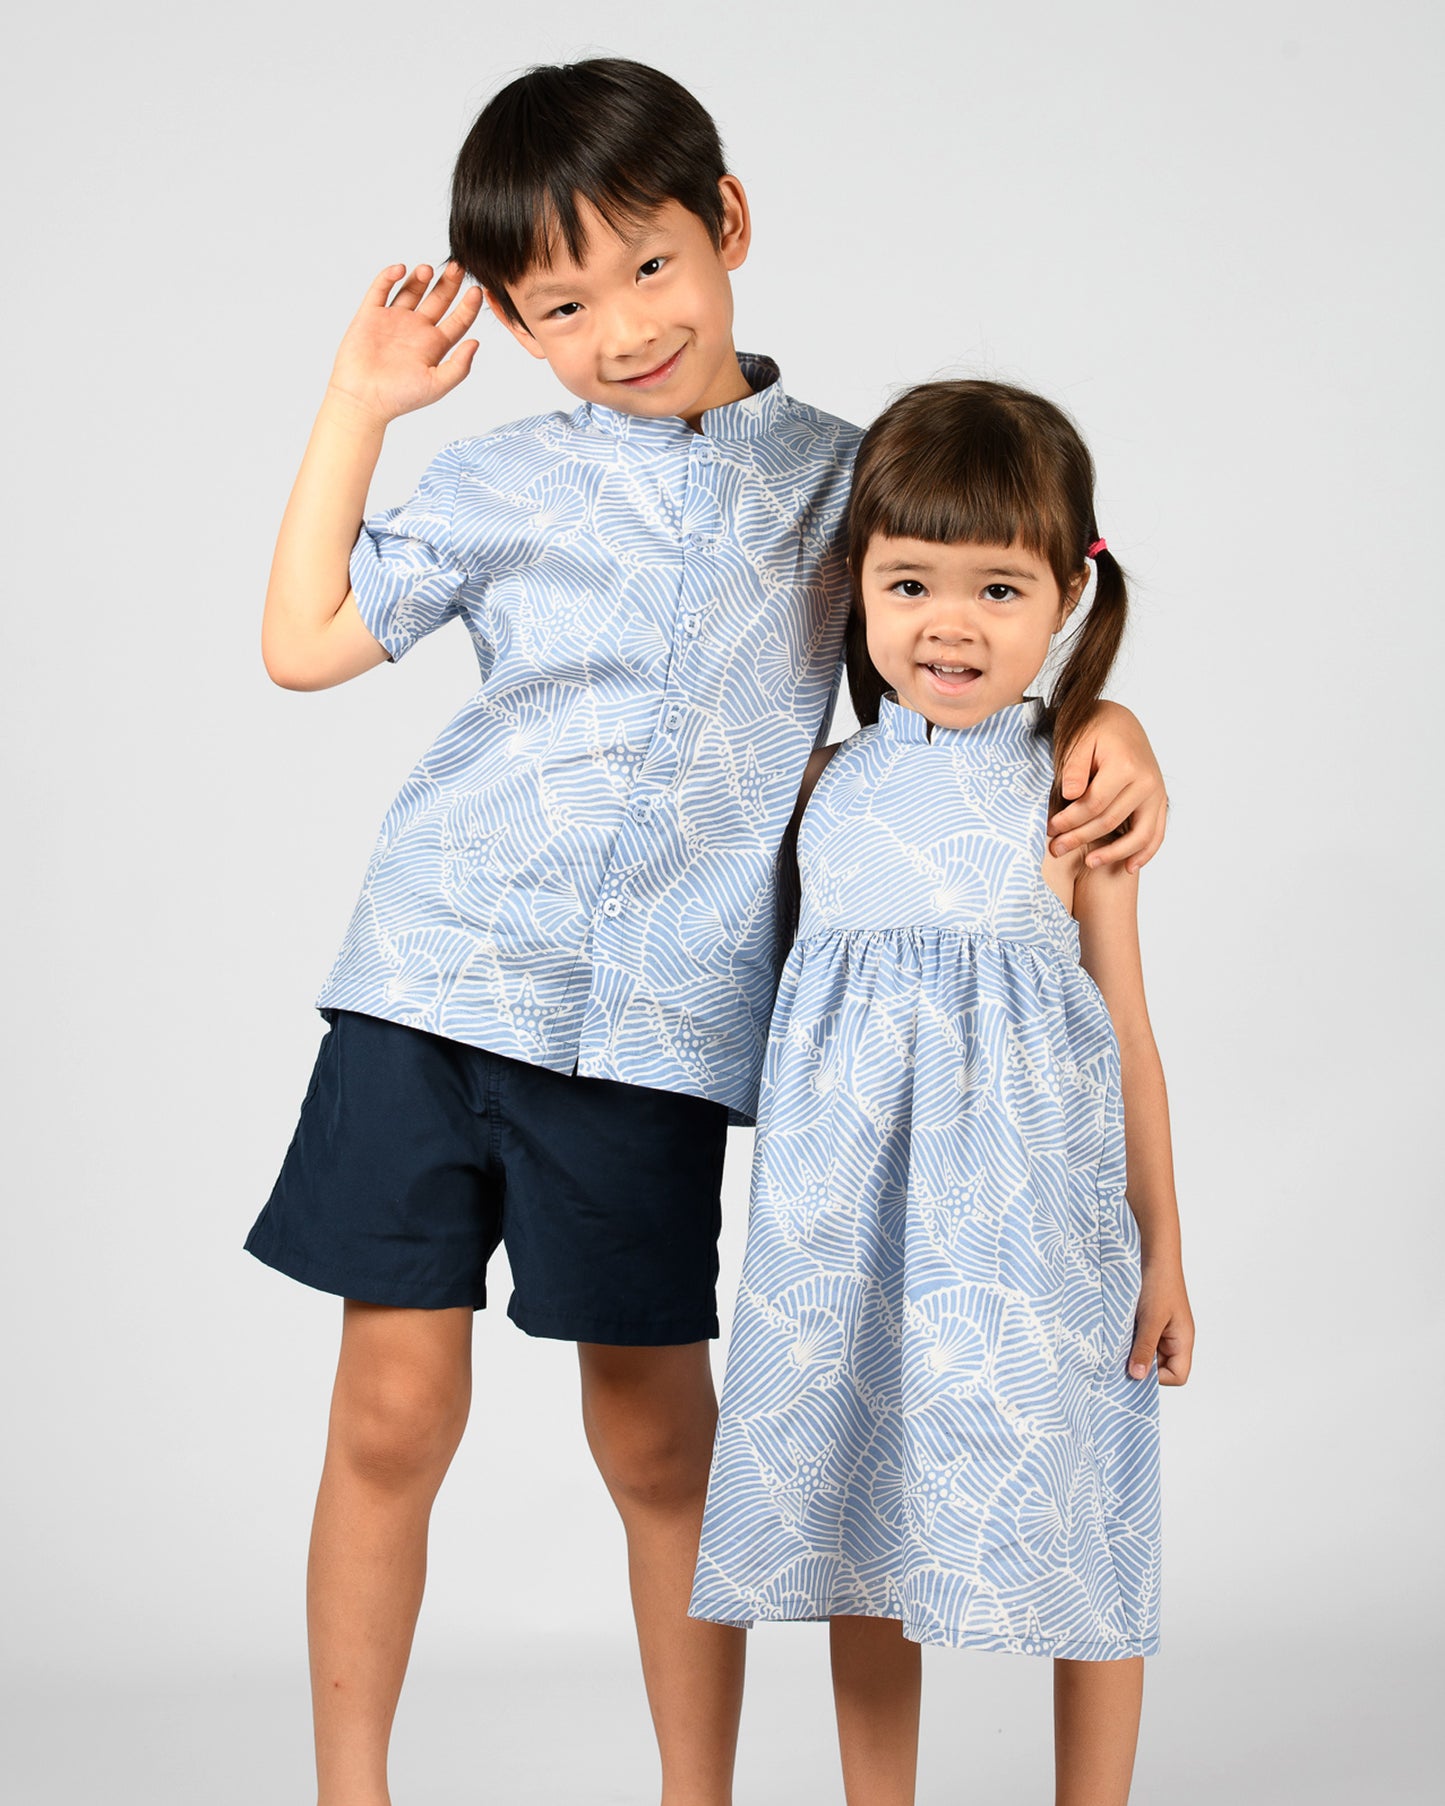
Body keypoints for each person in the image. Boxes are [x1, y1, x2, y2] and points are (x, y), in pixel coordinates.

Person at [243, 57, 1171, 1806]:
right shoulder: (502, 484)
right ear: (518, 329)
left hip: (659, 1032)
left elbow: (966, 641)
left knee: (663, 1440)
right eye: (563, 304)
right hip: (429, 985)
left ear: (727, 225)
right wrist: (361, 403)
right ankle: (345, 1790)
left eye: (652, 267)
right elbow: (300, 641)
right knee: (387, 1413)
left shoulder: (842, 484)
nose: (621, 327)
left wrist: (1110, 729)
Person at [689, 380, 1194, 1806]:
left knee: (1083, 1513)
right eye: (908, 582)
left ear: (1066, 595)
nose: (948, 625)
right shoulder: (820, 787)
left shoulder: (1073, 787)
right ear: (853, 587)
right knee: (861, 1525)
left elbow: (1128, 1034)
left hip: (1032, 1246)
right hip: (849, 1238)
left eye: (995, 587)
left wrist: (1164, 1252)